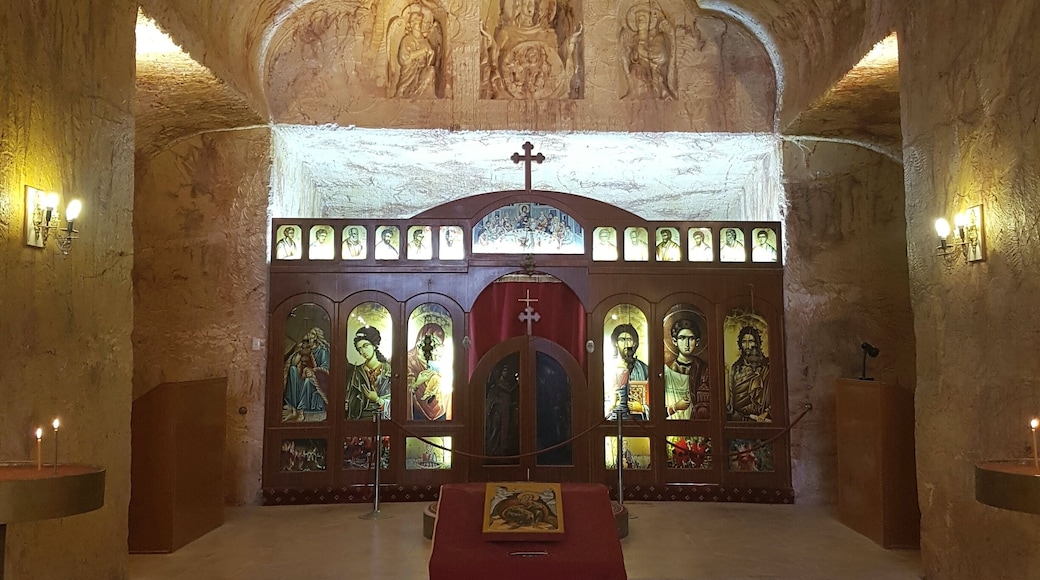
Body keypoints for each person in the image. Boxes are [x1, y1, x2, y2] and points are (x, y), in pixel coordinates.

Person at [620, 5, 676, 100]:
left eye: (643, 19)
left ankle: (652, 93)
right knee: (635, 70)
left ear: (649, 22)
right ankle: (636, 93)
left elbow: (661, 56)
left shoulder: (657, 37)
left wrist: (643, 52)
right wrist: (634, 55)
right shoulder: (634, 39)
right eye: (638, 20)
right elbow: (630, 56)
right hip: (638, 67)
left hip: (653, 69)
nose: (640, 22)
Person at [663, 317, 710, 420]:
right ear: (675, 341)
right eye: (682, 338)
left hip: (695, 425)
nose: (687, 344)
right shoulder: (666, 369)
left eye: (691, 338)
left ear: (697, 342)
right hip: (670, 425)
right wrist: (675, 407)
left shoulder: (704, 369)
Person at [282, 327, 330, 422]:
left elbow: (326, 368)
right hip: (304, 376)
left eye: (312, 334)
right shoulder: (305, 348)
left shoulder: (322, 350)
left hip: (319, 380)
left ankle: (301, 411)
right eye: (308, 333)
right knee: (292, 370)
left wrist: (313, 371)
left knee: (308, 381)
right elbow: (293, 363)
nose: (309, 336)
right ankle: (293, 408)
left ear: (316, 337)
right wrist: (299, 352)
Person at [345, 326, 391, 420]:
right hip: (361, 421)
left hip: (385, 421)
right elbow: (351, 399)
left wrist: (378, 400)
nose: (363, 351)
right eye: (360, 348)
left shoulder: (389, 370)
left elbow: (399, 403)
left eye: (366, 346)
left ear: (374, 345)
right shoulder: (356, 372)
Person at [392, 6, 438, 98]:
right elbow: (404, 59)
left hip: (422, 72)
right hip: (409, 74)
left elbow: (429, 62)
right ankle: (408, 94)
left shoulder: (425, 41)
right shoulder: (407, 40)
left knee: (431, 71)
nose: (419, 25)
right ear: (411, 24)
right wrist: (422, 51)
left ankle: (421, 95)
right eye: (416, 22)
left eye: (421, 22)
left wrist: (431, 54)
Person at [407, 322, 450, 420]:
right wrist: (418, 383)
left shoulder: (435, 361)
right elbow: (398, 393)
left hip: (437, 408)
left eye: (438, 345)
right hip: (415, 412)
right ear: (420, 341)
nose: (434, 349)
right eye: (433, 343)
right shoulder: (407, 360)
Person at [727, 325, 770, 422]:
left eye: (750, 341)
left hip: (762, 419)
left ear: (757, 343)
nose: (747, 346)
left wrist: (766, 413)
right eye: (744, 342)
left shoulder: (765, 368)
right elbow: (732, 398)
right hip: (739, 418)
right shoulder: (736, 368)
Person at [607, 323, 649, 420]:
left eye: (629, 340)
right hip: (612, 420)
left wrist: (642, 408)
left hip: (637, 422)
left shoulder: (643, 369)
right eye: (622, 339)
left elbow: (653, 401)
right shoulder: (608, 368)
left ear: (634, 343)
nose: (626, 344)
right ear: (616, 343)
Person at [485, 359, 520, 457]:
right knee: (496, 431)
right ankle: (494, 450)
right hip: (498, 413)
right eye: (505, 370)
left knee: (510, 431)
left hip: (509, 412)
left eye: (508, 370)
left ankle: (506, 450)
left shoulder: (512, 386)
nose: (507, 372)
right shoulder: (496, 386)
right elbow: (490, 401)